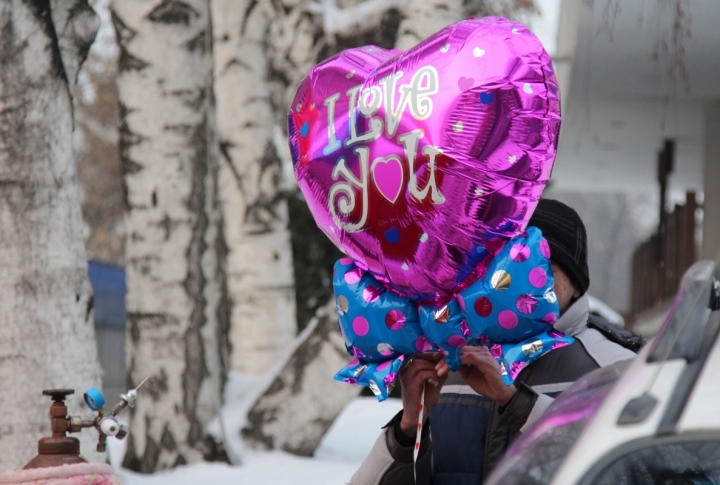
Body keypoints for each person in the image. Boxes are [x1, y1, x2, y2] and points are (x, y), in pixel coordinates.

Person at [348, 199, 644, 485]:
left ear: (576, 285)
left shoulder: (614, 367)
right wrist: (410, 427)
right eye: (504, 269)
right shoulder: (452, 359)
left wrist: (517, 403)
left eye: (541, 271)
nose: (521, 285)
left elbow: (634, 464)